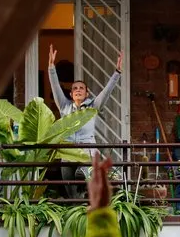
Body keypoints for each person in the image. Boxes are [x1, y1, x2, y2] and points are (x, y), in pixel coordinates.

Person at [47, 44, 123, 198]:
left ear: (87, 93)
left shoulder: (92, 107)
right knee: (71, 193)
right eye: (75, 88)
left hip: (87, 154)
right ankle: (77, 212)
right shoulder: (64, 107)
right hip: (68, 154)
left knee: (83, 179)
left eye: (82, 88)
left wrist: (117, 72)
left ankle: (86, 199)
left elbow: (106, 92)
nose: (78, 90)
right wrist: (51, 68)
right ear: (71, 93)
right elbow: (55, 88)